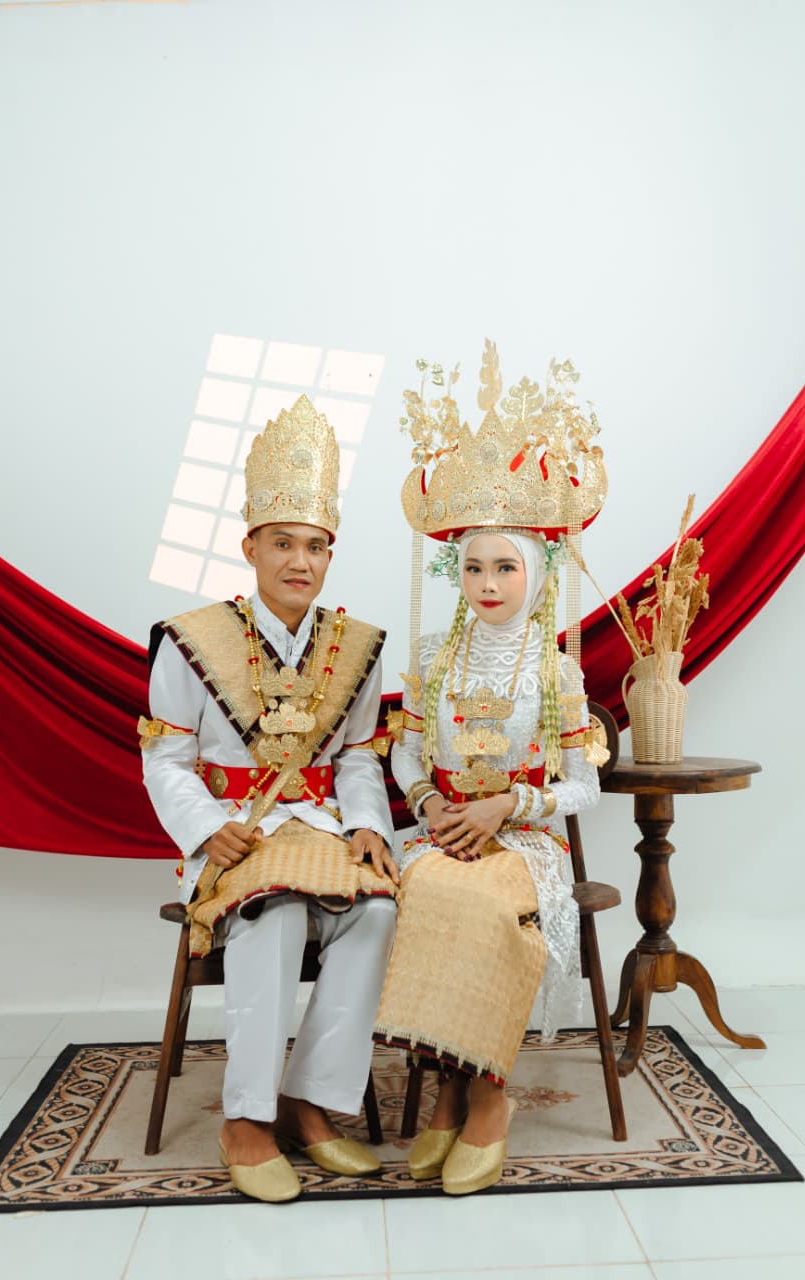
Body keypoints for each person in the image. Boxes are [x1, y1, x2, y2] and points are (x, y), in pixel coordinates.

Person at [140, 395, 399, 1203]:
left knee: (377, 912)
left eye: (315, 546)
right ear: (249, 545)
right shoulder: (191, 639)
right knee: (276, 910)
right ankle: (246, 1120)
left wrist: (368, 824)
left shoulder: (355, 647)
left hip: (321, 830)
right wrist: (204, 830)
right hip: (236, 836)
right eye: (282, 542)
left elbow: (357, 756)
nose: (299, 561)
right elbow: (165, 760)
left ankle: (308, 1103)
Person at [374, 346, 608, 1195]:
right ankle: (448, 1086)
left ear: (534, 572)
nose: (486, 582)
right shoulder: (433, 658)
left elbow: (584, 785)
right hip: (442, 831)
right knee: (428, 888)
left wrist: (509, 804)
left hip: (524, 840)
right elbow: (405, 750)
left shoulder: (557, 672)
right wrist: (429, 801)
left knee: (479, 900)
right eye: (472, 566)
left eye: (504, 565)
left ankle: (484, 1097)